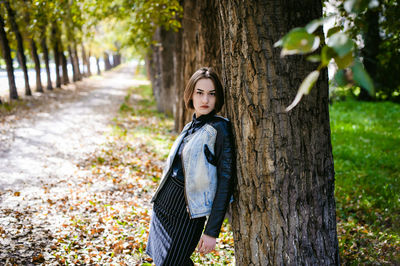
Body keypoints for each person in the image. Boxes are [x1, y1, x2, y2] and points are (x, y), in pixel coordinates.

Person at [146, 67, 234, 265]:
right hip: (163, 207)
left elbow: (225, 183)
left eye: (211, 94)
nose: (205, 100)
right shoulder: (190, 126)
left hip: (187, 215)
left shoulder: (220, 129)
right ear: (191, 95)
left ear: (217, 97)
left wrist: (212, 231)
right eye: (199, 93)